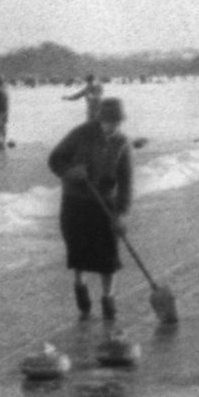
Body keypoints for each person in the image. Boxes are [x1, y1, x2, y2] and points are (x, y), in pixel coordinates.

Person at [47, 97, 133, 322]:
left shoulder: (122, 143)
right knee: (79, 252)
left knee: (109, 256)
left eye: (116, 122)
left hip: (105, 203)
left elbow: (126, 182)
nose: (112, 126)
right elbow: (55, 159)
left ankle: (108, 299)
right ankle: (80, 286)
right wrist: (70, 171)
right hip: (76, 201)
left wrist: (121, 214)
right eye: (108, 121)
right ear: (99, 119)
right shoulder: (81, 133)